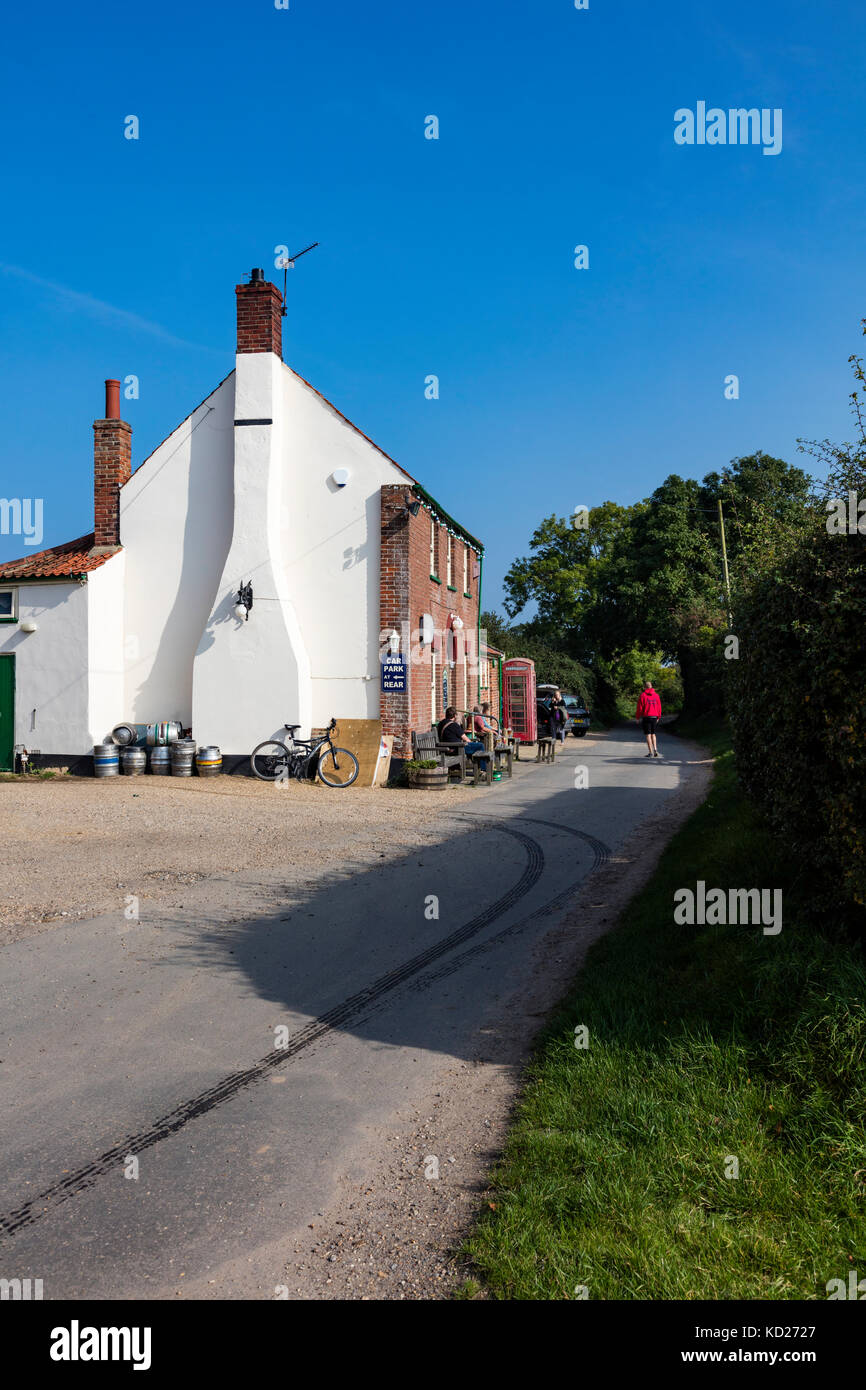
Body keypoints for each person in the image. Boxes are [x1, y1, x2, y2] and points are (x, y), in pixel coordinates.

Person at [438, 706, 488, 772]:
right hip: (457, 749)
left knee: (473, 748)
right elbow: (466, 739)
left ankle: (477, 768)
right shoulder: (454, 725)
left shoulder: (440, 724)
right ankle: (483, 769)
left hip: (445, 749)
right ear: (455, 716)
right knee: (480, 745)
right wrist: (471, 743)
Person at [635, 681, 662, 757]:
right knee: (653, 734)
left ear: (645, 687)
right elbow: (659, 707)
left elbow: (639, 708)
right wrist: (658, 717)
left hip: (646, 717)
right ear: (651, 686)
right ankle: (655, 749)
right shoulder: (656, 696)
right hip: (654, 717)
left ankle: (650, 752)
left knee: (648, 735)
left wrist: (637, 717)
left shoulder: (642, 695)